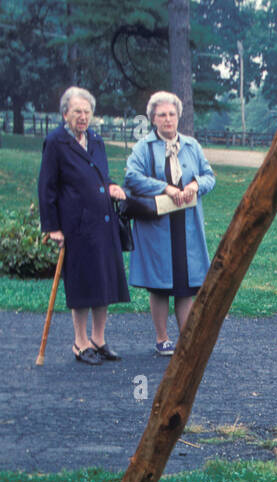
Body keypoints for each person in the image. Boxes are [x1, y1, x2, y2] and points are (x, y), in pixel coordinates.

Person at [37, 87, 130, 364]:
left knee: (103, 279)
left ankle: (99, 339)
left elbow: (102, 175)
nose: (83, 116)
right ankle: (80, 342)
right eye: (77, 111)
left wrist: (112, 186)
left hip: (103, 222)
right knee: (81, 283)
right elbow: (47, 187)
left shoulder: (96, 140)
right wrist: (52, 227)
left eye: (87, 111)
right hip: (76, 225)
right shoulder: (55, 142)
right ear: (65, 113)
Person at [124, 91, 215, 355]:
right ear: (153, 118)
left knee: (185, 285)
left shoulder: (191, 146)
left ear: (179, 117)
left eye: (172, 114)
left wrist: (196, 185)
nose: (167, 120)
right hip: (157, 226)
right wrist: (166, 188)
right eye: (162, 115)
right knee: (161, 285)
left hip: (186, 225)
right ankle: (162, 338)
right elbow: (132, 178)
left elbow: (210, 176)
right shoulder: (144, 147)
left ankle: (186, 339)